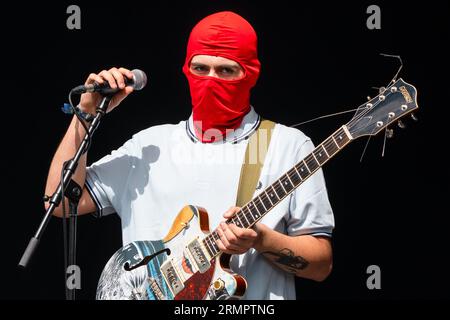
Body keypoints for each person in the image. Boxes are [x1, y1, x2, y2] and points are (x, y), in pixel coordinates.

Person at [45, 11, 334, 300]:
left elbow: (321, 266)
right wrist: (84, 115)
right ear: (186, 69)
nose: (211, 79)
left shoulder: (288, 146)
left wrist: (262, 239)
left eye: (226, 71)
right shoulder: (148, 146)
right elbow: (58, 202)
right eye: (200, 68)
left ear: (250, 74)